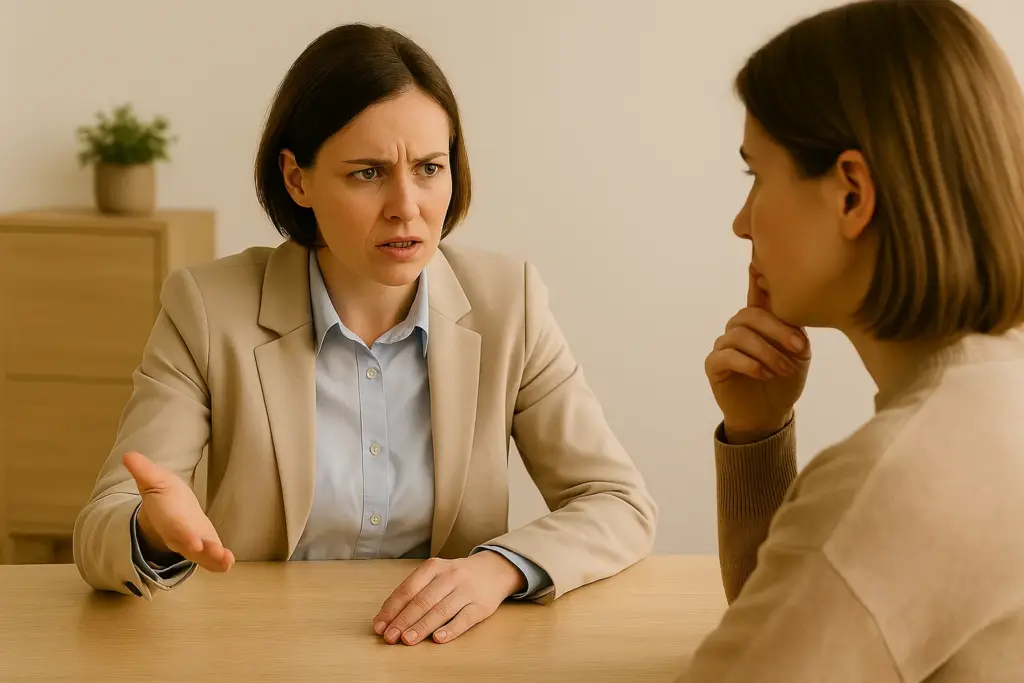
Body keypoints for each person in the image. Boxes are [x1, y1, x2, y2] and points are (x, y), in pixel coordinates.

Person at [73, 23, 656, 647]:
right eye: (368, 173)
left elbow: (616, 502)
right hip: (261, 648)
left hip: (445, 651)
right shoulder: (209, 308)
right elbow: (101, 527)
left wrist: (497, 568)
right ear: (297, 179)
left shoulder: (509, 303)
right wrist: (152, 532)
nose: (407, 206)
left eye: (429, 168)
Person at [678, 0, 1024, 680]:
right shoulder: (995, 397)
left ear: (851, 195)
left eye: (756, 176)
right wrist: (757, 433)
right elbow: (794, 630)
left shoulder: (895, 482)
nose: (741, 223)